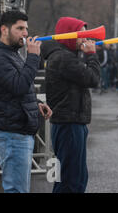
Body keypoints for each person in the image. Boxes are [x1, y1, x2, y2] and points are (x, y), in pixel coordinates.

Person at [0, 11, 52, 193]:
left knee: (19, 189)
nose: (25, 34)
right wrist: (33, 57)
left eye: (26, 29)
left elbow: (20, 89)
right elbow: (19, 85)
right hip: (12, 134)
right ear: (4, 30)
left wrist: (36, 103)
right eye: (20, 28)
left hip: (19, 132)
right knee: (16, 190)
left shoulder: (12, 54)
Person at [41, 17, 100, 193]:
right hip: (69, 124)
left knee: (66, 177)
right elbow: (93, 79)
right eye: (80, 34)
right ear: (68, 35)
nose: (84, 38)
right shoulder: (63, 58)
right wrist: (91, 55)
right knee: (72, 180)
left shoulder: (63, 55)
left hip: (69, 123)